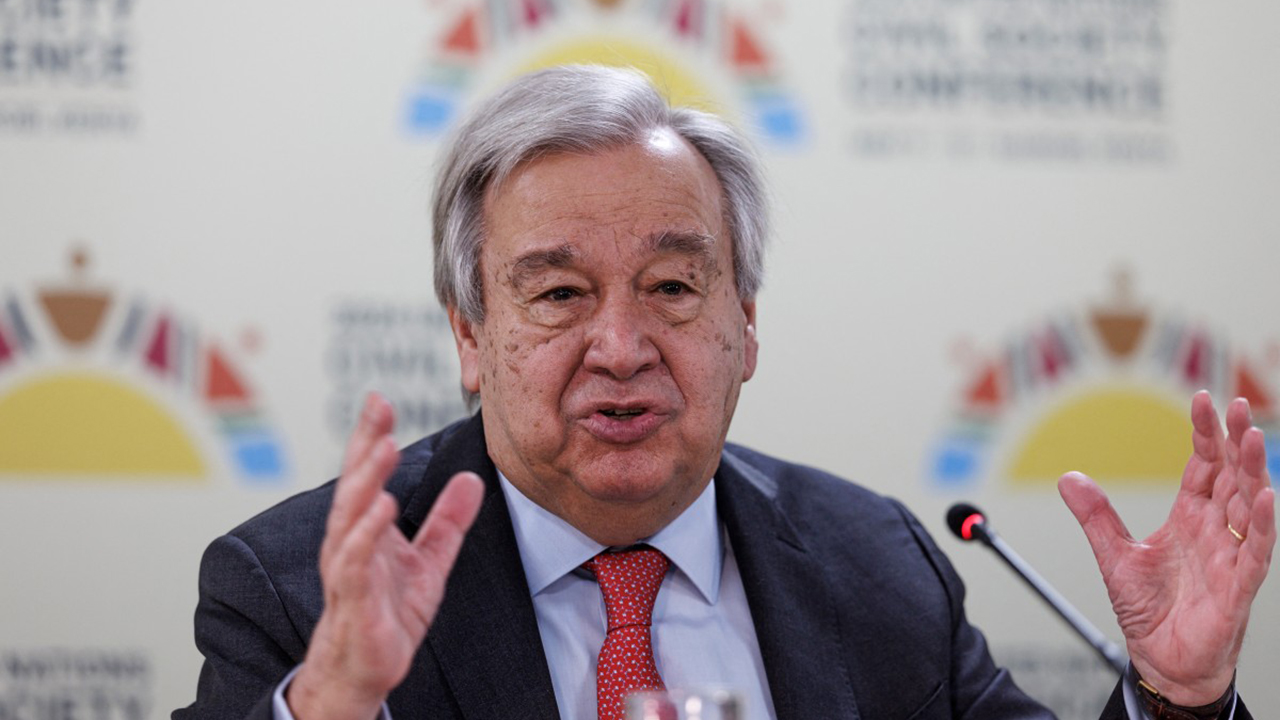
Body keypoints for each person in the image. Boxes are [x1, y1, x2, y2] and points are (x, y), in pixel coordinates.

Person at [174, 65, 1275, 720]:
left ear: (745, 323)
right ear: (470, 334)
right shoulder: (300, 591)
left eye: (671, 287)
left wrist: (1175, 699)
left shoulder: (876, 566)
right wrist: (334, 703)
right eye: (557, 294)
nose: (621, 347)